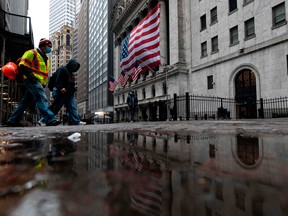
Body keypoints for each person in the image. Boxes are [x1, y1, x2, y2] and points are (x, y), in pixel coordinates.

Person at [6, 38, 61, 127]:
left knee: (25, 102)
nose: (50, 48)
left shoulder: (46, 59)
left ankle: (12, 120)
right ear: (43, 46)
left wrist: (43, 84)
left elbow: (44, 74)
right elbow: (22, 65)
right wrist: (32, 78)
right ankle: (50, 119)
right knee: (41, 98)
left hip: (38, 82)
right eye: (49, 46)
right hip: (32, 80)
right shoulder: (32, 52)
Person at [46, 59, 86, 125]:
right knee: (56, 107)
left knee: (72, 106)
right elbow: (58, 80)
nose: (75, 67)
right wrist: (61, 88)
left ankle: (76, 121)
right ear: (71, 64)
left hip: (69, 93)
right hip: (60, 92)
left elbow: (71, 84)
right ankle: (44, 120)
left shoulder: (71, 73)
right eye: (74, 65)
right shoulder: (62, 69)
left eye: (76, 66)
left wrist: (73, 90)